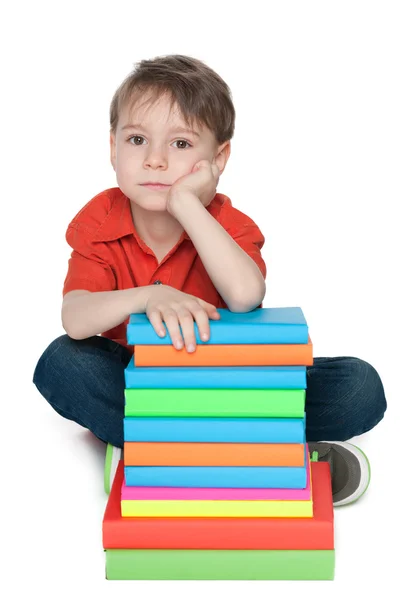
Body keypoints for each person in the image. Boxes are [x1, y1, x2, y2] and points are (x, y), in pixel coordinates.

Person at [33, 54, 386, 505]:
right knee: (62, 362)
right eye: (137, 139)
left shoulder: (227, 223)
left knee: (359, 385)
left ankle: (170, 448)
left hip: (238, 387)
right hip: (147, 387)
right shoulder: (101, 219)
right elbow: (76, 319)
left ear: (218, 159)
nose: (156, 160)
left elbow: (244, 297)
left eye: (180, 145)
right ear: (113, 149)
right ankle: (242, 449)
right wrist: (148, 295)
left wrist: (186, 204)